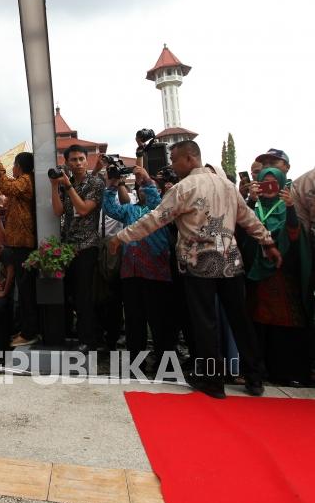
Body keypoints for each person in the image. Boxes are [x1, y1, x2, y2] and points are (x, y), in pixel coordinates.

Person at [108, 140, 281, 399]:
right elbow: (247, 218)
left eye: (175, 160)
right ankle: (255, 378)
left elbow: (155, 219)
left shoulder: (183, 188)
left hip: (198, 263)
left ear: (190, 159)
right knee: (240, 320)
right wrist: (266, 241)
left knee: (205, 323)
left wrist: (121, 237)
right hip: (230, 262)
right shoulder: (226, 186)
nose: (173, 165)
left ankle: (213, 382)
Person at [240, 168, 312, 385]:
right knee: (256, 323)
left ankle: (285, 372)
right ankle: (258, 370)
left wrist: (290, 206)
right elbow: (243, 230)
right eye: (264, 183)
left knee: (285, 325)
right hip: (256, 275)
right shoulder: (254, 207)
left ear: (281, 185)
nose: (268, 188)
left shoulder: (286, 208)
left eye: (273, 183)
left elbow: (294, 234)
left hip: (283, 276)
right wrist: (250, 201)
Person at [103, 166, 176, 369]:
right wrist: (112, 185)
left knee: (159, 321)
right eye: (140, 187)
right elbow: (110, 209)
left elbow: (156, 204)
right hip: (130, 272)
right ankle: (136, 363)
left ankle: (165, 364)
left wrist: (147, 180)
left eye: (145, 186)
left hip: (156, 272)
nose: (142, 190)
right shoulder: (130, 210)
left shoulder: (161, 208)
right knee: (134, 321)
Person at [51, 144, 105, 352]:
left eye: (81, 159)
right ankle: (79, 335)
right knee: (72, 294)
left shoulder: (95, 182)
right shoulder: (68, 182)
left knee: (85, 295)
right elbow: (58, 211)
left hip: (87, 245)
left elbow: (83, 210)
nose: (78, 163)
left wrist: (68, 187)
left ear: (87, 160)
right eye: (73, 160)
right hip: (69, 246)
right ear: (67, 163)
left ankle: (90, 340)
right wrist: (54, 186)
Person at [0, 150, 37, 346]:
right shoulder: (23, 181)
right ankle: (25, 329)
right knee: (22, 290)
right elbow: (7, 193)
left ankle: (30, 332)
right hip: (18, 242)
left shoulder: (26, 179)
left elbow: (4, 186)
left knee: (26, 291)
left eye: (13, 165)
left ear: (19, 166)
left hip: (24, 243)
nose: (12, 168)